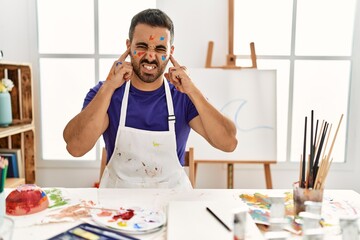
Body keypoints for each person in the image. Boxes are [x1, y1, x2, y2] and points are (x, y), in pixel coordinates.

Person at [63, 8, 237, 189]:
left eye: (160, 49)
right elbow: (75, 147)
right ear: (128, 47)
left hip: (173, 203)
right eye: (142, 46)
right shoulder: (106, 93)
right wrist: (108, 87)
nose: (150, 56)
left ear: (171, 52)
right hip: (117, 205)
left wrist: (193, 90)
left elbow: (228, 142)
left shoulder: (183, 96)